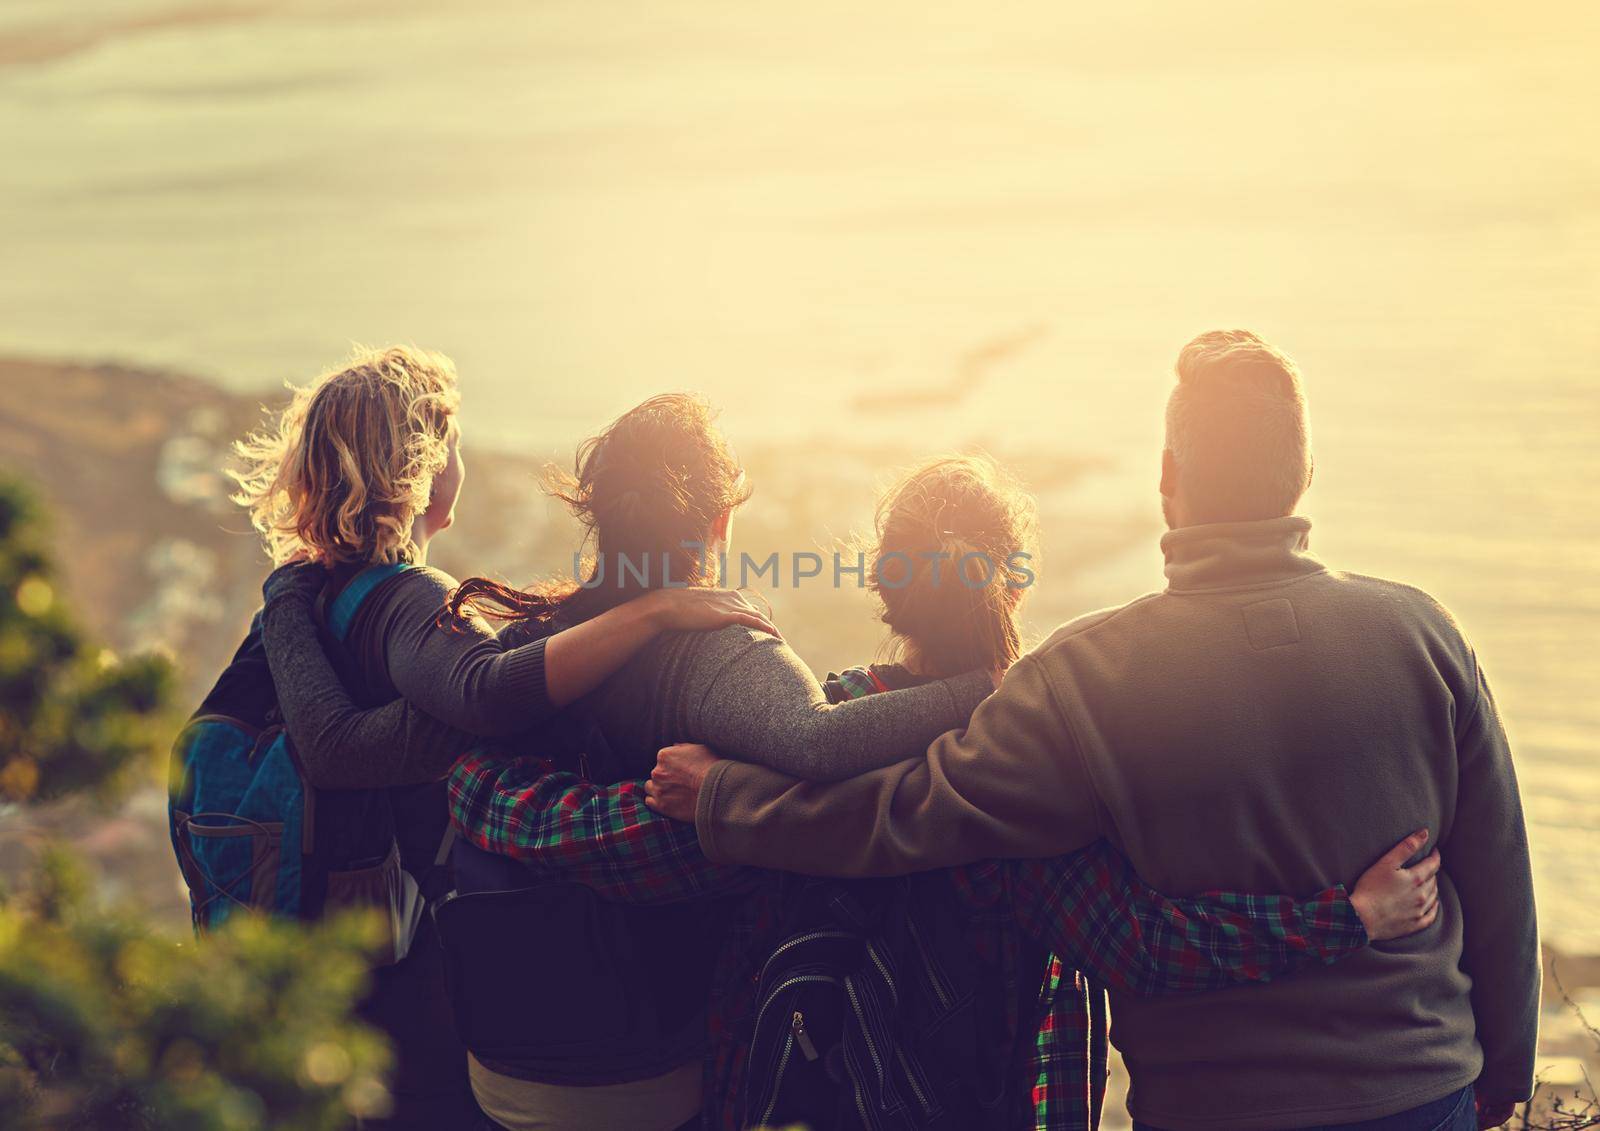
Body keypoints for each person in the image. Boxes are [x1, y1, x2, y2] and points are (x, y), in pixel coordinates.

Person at [648, 331, 1540, 1131]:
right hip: (1426, 1093)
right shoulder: (1425, 634)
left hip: (1211, 1107)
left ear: (1167, 477)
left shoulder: (1089, 677)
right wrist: (1508, 1065)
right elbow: (1496, 864)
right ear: (1303, 473)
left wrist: (728, 799)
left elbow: (906, 813)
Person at [442, 452, 1443, 1129]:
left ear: (883, 586)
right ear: (1014, 583)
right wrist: (1344, 918)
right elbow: (1149, 942)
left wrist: (478, 769)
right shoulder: (1046, 764)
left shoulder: (782, 762)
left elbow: (622, 838)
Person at [259, 392, 1008, 1130]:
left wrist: (288, 596)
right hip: (647, 1073)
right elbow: (822, 741)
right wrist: (986, 687)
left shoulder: (531, 644)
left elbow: (367, 742)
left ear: (595, 514)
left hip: (498, 1060)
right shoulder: (719, 649)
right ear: (719, 522)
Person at [234, 349, 777, 1129]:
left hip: (387, 955)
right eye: (451, 441)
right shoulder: (410, 598)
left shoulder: (323, 591)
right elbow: (475, 699)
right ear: (420, 463)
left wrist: (282, 597)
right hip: (450, 981)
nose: (463, 458)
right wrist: (655, 613)